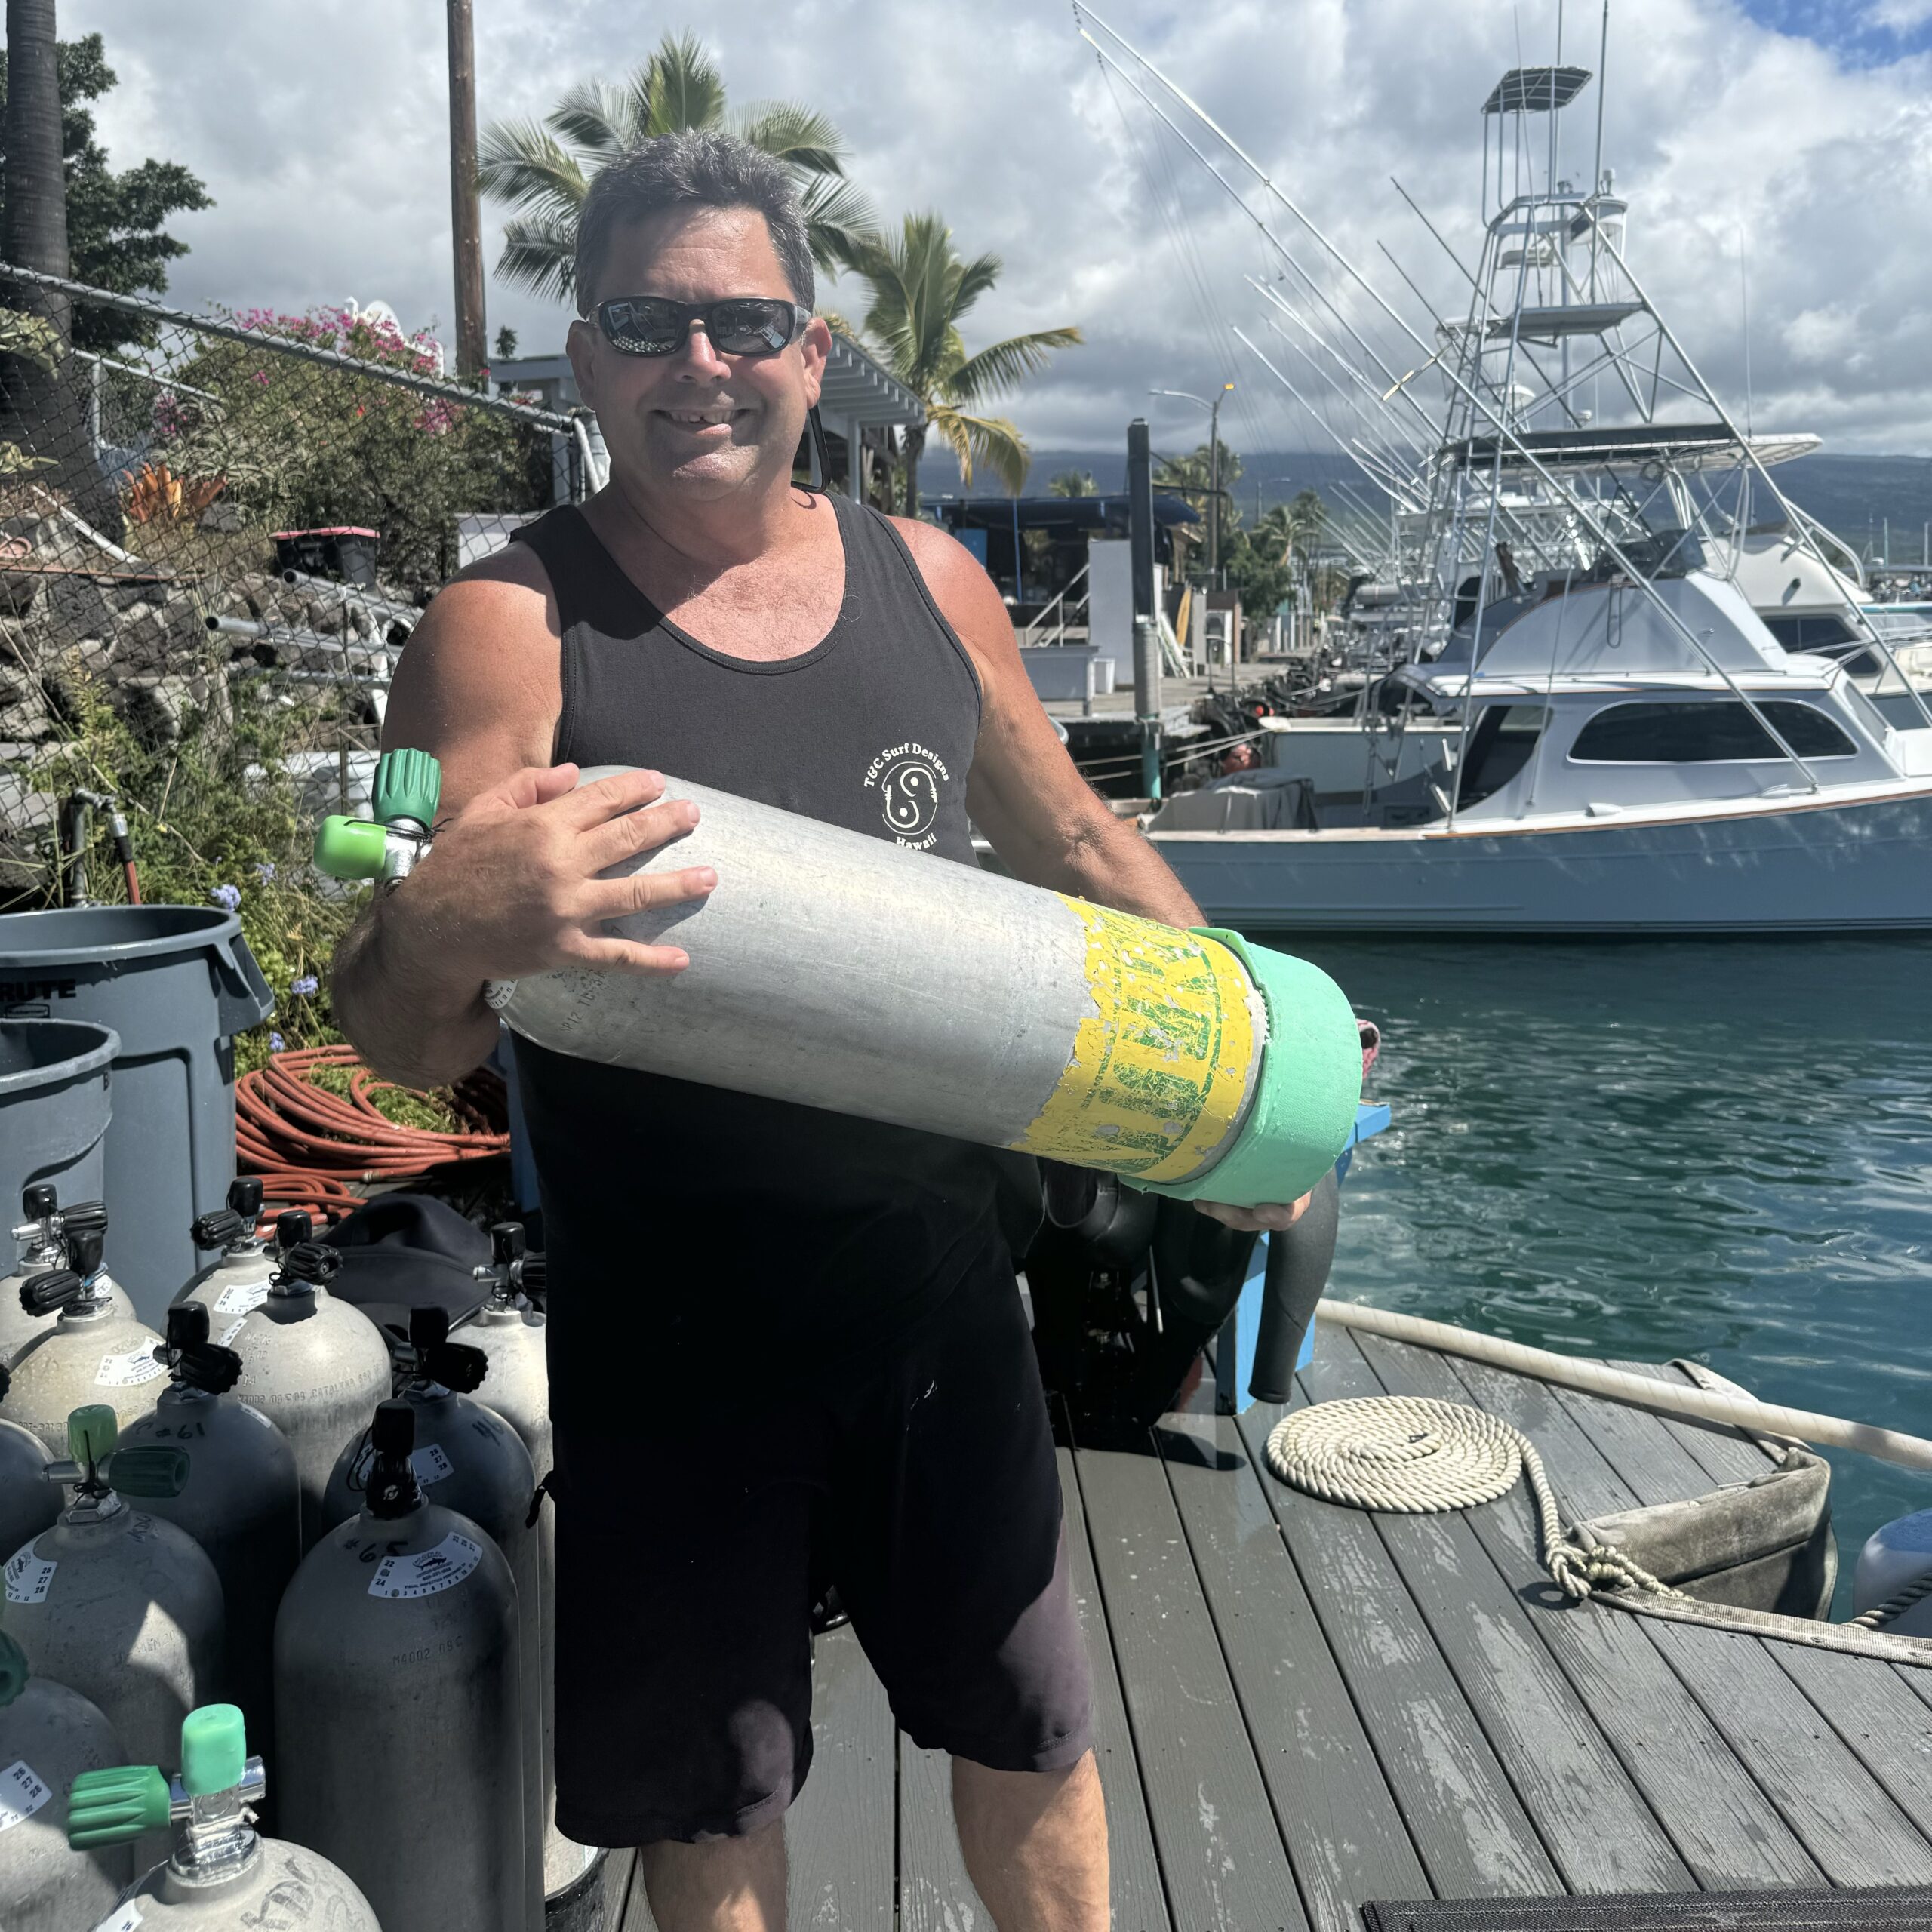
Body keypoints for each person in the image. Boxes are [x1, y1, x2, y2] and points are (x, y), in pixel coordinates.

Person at [330, 131, 1306, 1932]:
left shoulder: (926, 577)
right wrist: (434, 923)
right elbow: (399, 1039)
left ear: (807, 349)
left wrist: (1256, 1068)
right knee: (712, 1806)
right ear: (586, 360)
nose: (695, 362)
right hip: (671, 1339)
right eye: (645, 321)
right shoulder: (508, 622)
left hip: (945, 1301)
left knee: (1030, 1739)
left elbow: (1075, 843)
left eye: (739, 321)